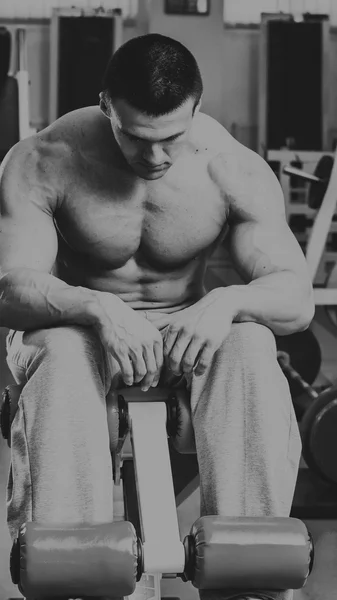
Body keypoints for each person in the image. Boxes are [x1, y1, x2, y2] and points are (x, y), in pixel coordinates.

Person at [0, 33, 314, 600]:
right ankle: (74, 578)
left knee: (248, 343)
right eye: (136, 139)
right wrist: (97, 306)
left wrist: (227, 301)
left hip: (180, 334)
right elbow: (8, 288)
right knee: (66, 350)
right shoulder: (46, 159)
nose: (156, 157)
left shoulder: (229, 169)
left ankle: (252, 577)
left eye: (172, 136)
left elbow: (296, 300)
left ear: (195, 108)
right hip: (77, 335)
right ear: (105, 106)